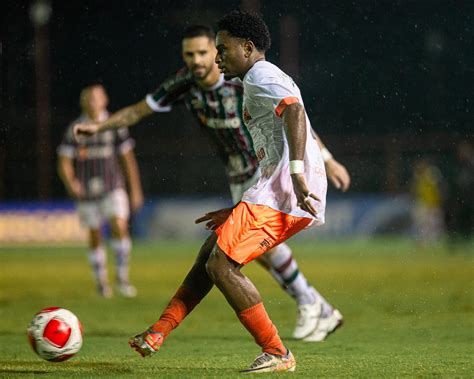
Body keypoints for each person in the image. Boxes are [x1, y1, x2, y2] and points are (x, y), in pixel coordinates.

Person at [74, 25, 349, 341]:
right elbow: (138, 111)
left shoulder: (242, 81)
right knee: (245, 253)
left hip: (264, 174)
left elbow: (295, 115)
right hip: (239, 176)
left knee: (241, 254)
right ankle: (313, 307)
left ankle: (309, 305)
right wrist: (99, 127)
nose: (199, 60)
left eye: (206, 52)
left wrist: (326, 159)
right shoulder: (186, 84)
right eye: (189, 54)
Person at [57, 84, 144, 298]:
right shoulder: (75, 128)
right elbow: (64, 161)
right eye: (88, 97)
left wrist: (135, 189)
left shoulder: (114, 125)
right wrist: (71, 183)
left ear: (104, 100)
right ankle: (101, 283)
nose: (92, 101)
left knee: (119, 225)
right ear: (82, 102)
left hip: (113, 188)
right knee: (95, 234)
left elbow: (128, 159)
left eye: (96, 97)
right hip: (87, 192)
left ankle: (122, 278)